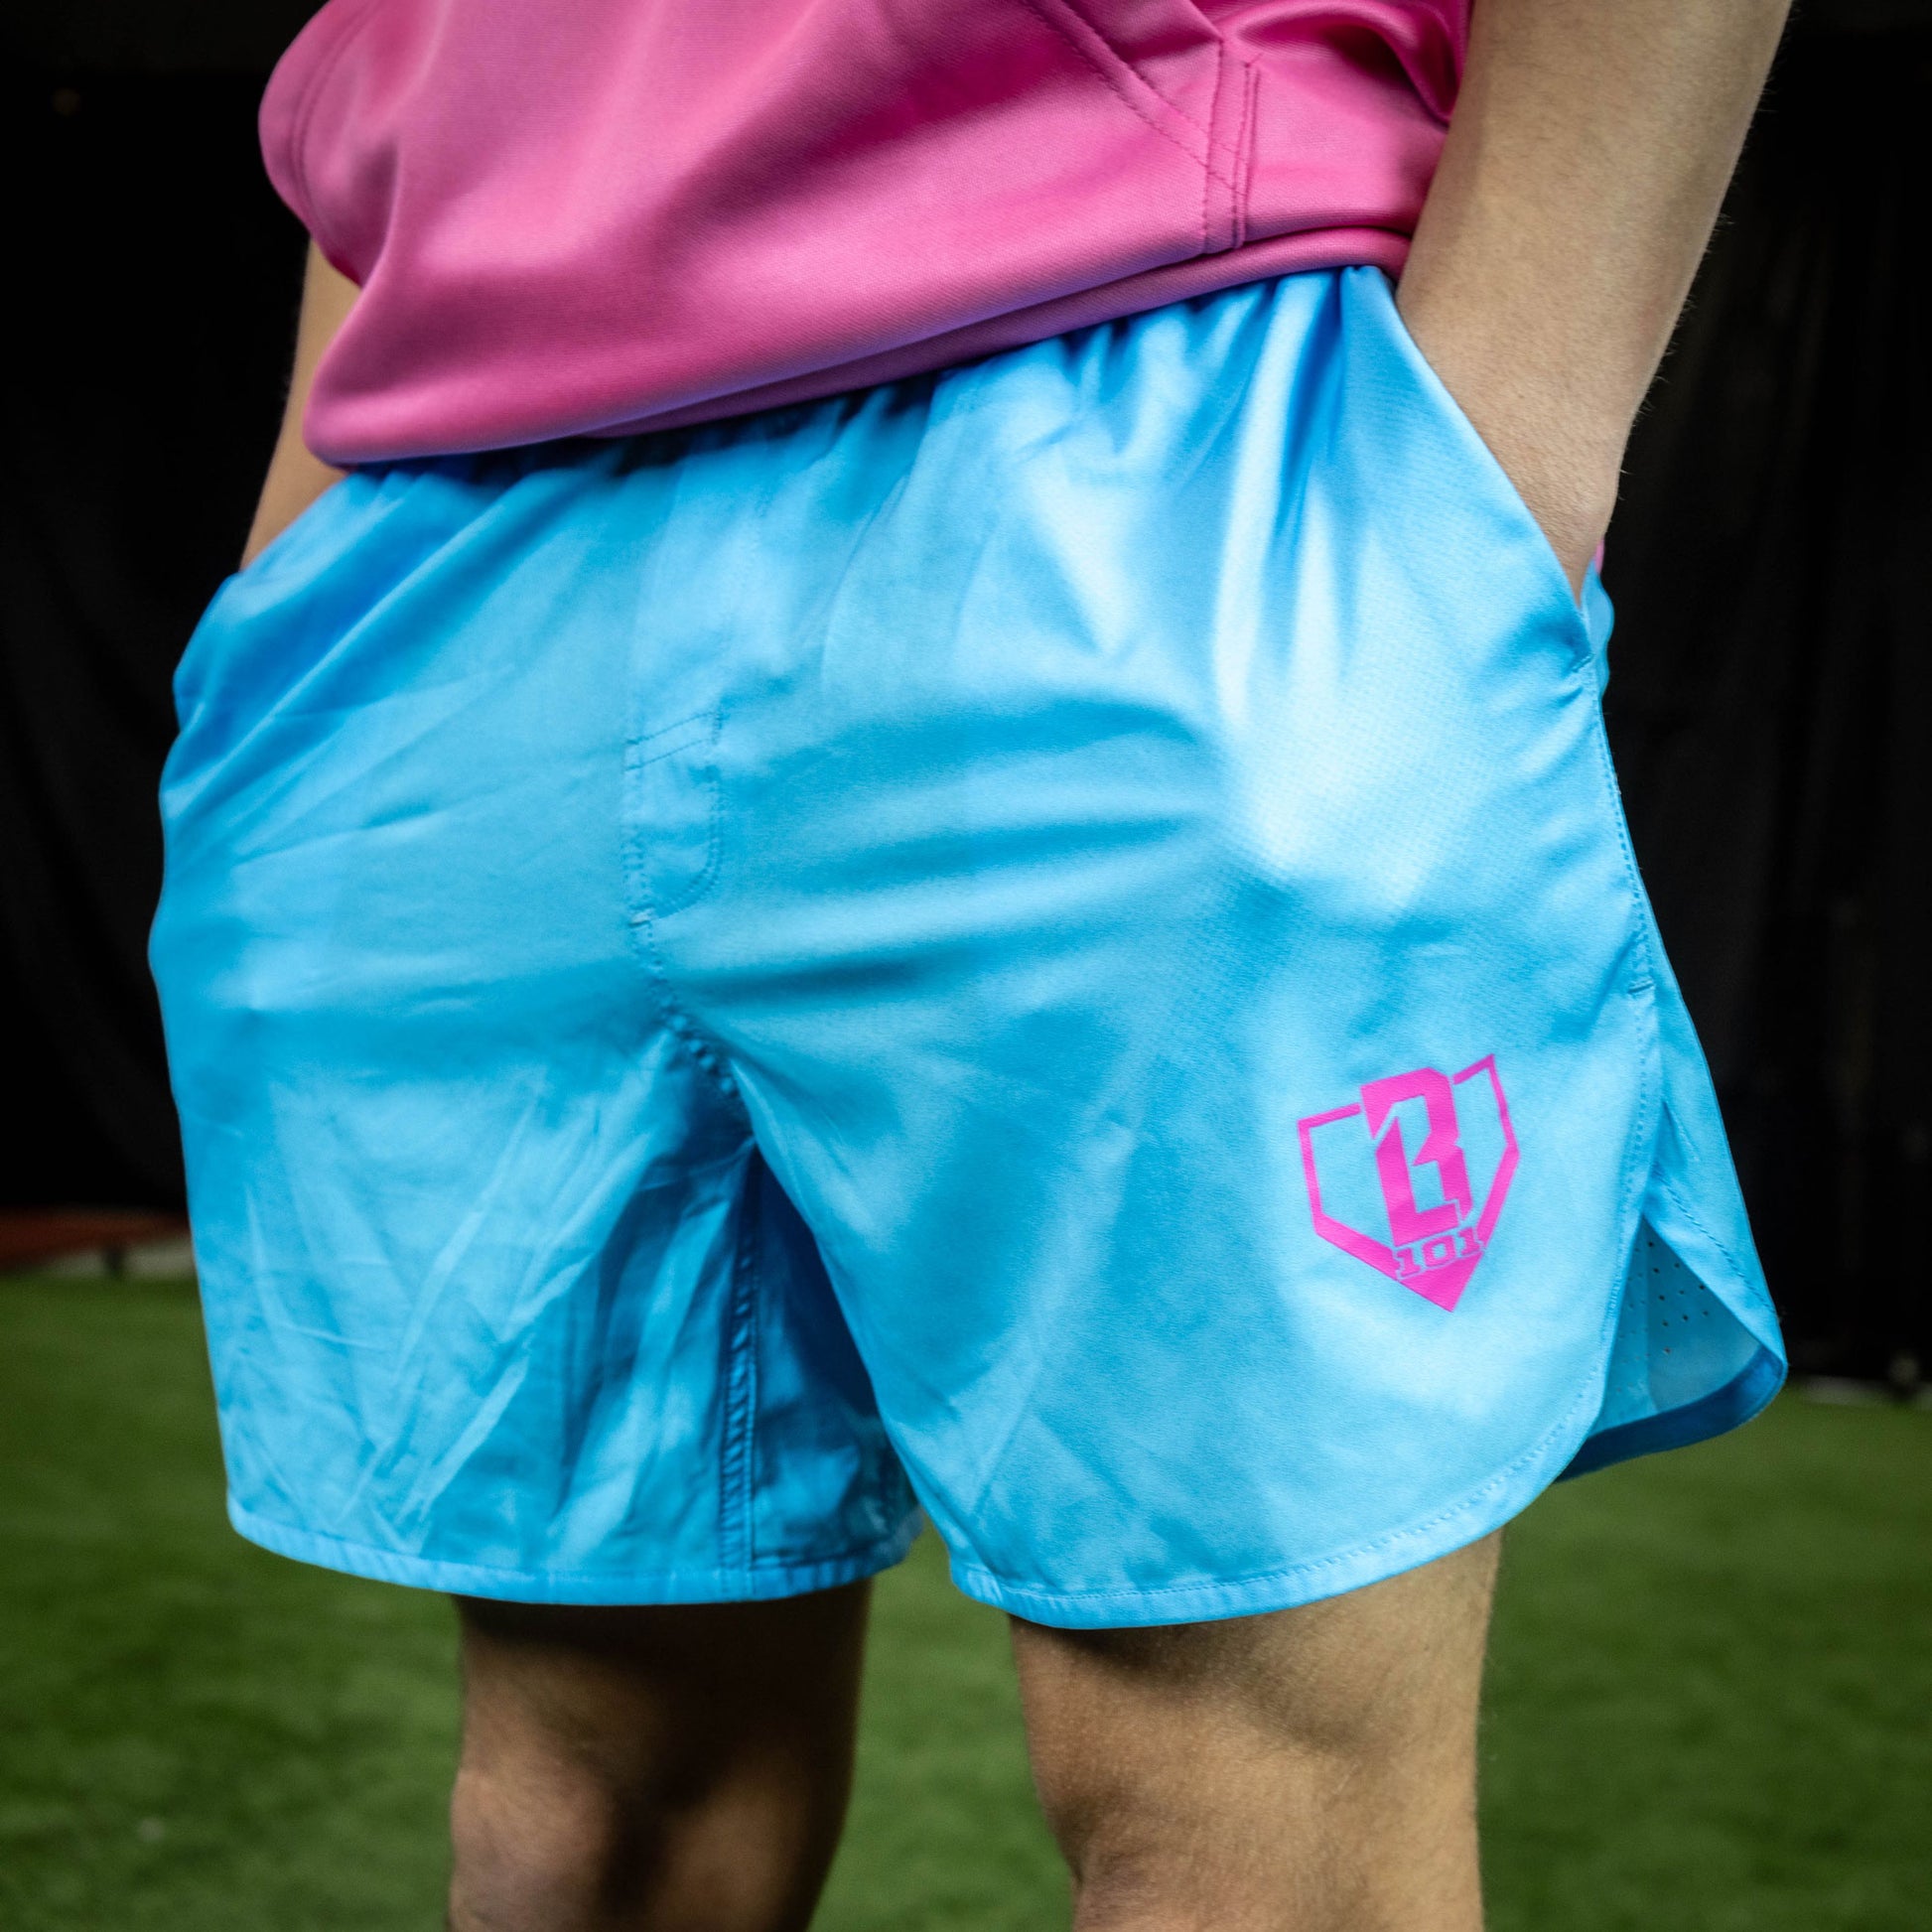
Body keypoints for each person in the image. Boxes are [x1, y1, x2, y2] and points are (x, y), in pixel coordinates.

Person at [150, 1, 1792, 1925]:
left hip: (1134, 402)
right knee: (588, 1803)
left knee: (1241, 1833)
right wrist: (297, 542)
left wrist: (1494, 474)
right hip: (453, 530)